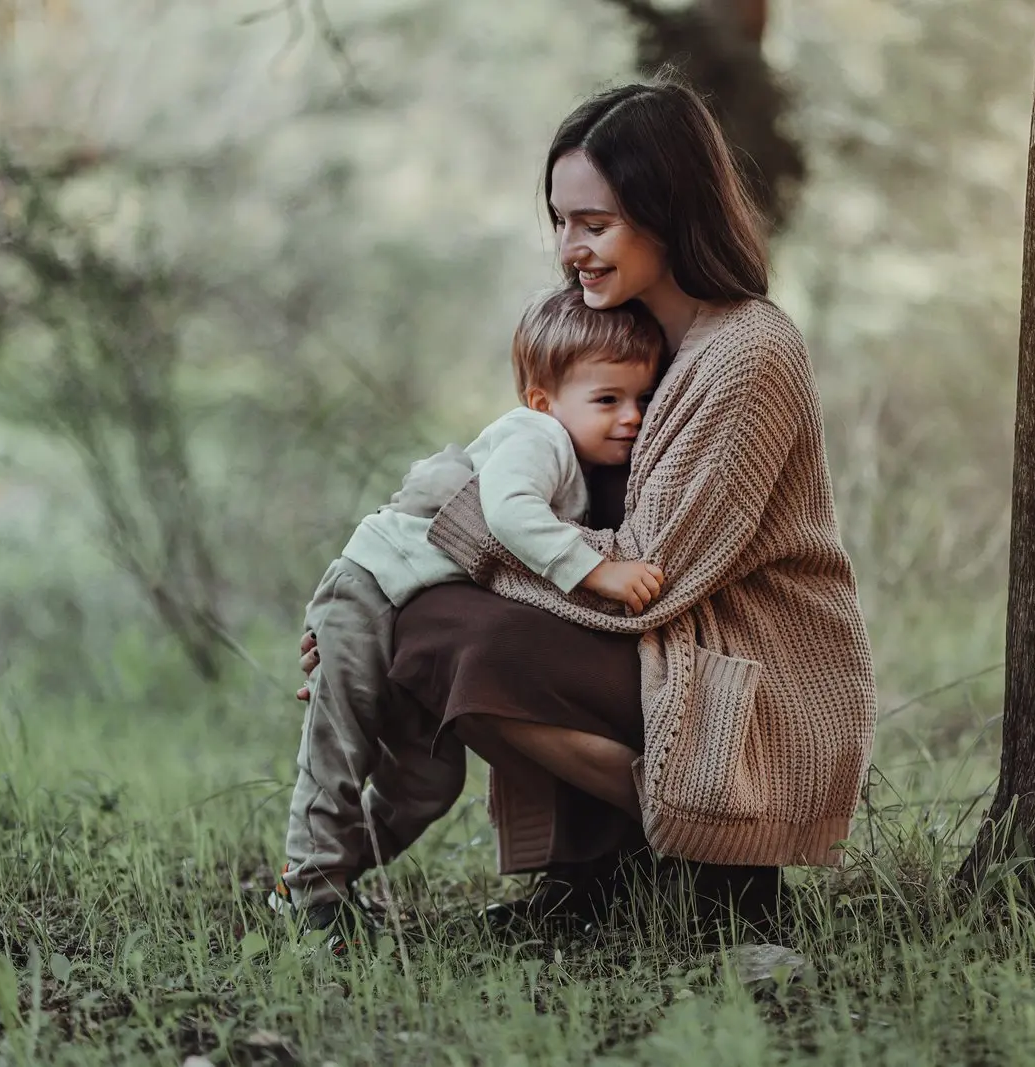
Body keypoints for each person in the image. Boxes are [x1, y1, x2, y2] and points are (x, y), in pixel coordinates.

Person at [296, 76, 878, 937]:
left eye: (595, 224)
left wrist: (442, 562)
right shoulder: (618, 336)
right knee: (419, 624)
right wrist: (369, 603)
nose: (570, 247)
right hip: (659, 642)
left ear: (668, 209)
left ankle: (716, 860)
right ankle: (601, 882)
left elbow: (652, 573)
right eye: (562, 222)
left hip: (744, 663)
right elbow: (510, 476)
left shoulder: (748, 352)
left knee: (448, 633)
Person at [270, 287, 667, 952]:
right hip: (371, 588)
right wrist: (599, 572)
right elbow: (511, 514)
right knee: (340, 747)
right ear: (545, 400)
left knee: (427, 782)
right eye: (608, 400)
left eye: (641, 399)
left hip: (413, 610)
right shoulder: (536, 438)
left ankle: (320, 874)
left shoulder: (569, 449)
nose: (631, 417)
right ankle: (311, 895)